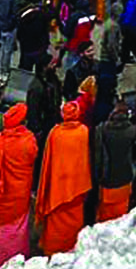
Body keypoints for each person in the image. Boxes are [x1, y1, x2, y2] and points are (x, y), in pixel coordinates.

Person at [35, 99, 93, 254]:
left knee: (56, 222)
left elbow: (48, 160)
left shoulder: (55, 133)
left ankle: (53, 248)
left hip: (57, 188)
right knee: (74, 221)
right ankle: (71, 247)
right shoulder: (84, 131)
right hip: (77, 186)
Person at [0, 103, 39, 268]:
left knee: (1, 229)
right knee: (18, 227)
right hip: (20, 192)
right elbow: (33, 156)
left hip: (1, 194)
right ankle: (18, 257)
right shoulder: (28, 140)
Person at [91, 98, 136, 225]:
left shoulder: (102, 130)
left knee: (105, 215)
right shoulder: (132, 131)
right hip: (125, 177)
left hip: (107, 178)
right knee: (121, 215)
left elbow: (97, 156)